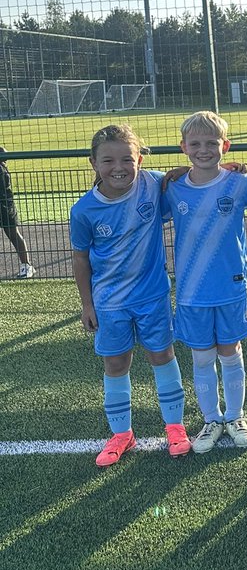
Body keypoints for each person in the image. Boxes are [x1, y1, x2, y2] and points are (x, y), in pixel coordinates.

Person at [69, 123, 190, 467]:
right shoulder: (84, 210)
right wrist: (87, 304)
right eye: (108, 161)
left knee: (162, 356)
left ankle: (175, 428)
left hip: (152, 296)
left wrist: (214, 168)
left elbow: (192, 179)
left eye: (127, 159)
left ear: (140, 159)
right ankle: (122, 434)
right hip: (109, 303)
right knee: (116, 364)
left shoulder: (152, 184)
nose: (118, 167)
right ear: (94, 163)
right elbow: (80, 259)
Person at [163, 112, 247, 454]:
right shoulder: (173, 188)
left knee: (230, 351)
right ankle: (211, 419)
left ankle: (236, 417)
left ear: (225, 146)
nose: (203, 150)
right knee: (201, 357)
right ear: (183, 147)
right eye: (195, 144)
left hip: (230, 287)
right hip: (192, 292)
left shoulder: (239, 183)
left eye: (211, 143)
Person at [0, 147, 34, 278]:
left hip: (5, 205)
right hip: (6, 204)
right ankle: (26, 266)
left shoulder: (2, 170)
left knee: (13, 234)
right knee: (14, 234)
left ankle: (27, 265)